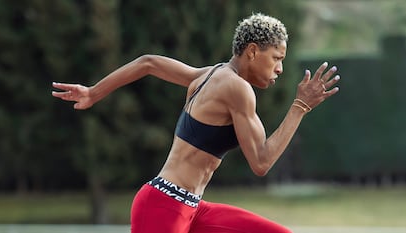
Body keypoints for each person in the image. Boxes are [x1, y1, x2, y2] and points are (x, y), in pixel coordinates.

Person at [52, 13, 340, 233]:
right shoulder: (237, 88)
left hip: (191, 208)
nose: (280, 68)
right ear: (252, 51)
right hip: (164, 207)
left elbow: (148, 63)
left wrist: (93, 92)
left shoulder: (208, 74)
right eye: (276, 58)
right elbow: (261, 162)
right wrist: (300, 107)